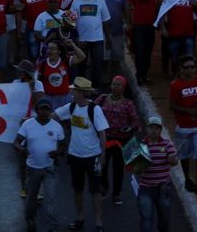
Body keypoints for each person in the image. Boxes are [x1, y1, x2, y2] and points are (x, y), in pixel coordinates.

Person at [54, 77, 108, 232]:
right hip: (75, 156)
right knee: (77, 189)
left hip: (92, 157)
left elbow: (102, 134)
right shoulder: (71, 107)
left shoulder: (94, 110)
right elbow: (53, 116)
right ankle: (80, 218)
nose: (71, 92)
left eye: (74, 90)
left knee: (95, 191)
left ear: (81, 93)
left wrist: (102, 156)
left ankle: (99, 222)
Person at [14, 98, 65, 232]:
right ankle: (30, 218)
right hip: (32, 168)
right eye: (42, 108)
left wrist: (58, 152)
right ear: (37, 110)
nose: (45, 111)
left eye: (47, 109)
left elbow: (63, 145)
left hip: (49, 169)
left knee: (50, 199)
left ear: (50, 110)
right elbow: (17, 142)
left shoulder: (56, 126)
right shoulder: (27, 124)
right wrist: (22, 149)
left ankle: (52, 227)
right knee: (31, 198)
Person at [96, 75, 140, 204]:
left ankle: (116, 194)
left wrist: (130, 128)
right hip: (105, 138)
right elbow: (92, 111)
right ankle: (104, 186)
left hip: (122, 141)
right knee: (102, 164)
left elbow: (136, 122)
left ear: (123, 88)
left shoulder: (128, 104)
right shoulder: (102, 99)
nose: (115, 86)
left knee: (118, 168)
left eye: (118, 85)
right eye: (113, 84)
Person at [169, 54, 197, 196]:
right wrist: (188, 110)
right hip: (184, 127)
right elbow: (171, 105)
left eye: (192, 67)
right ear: (181, 69)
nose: (190, 70)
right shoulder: (175, 86)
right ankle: (187, 178)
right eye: (187, 67)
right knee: (184, 155)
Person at [137, 116, 179, 232]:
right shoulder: (140, 145)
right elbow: (134, 167)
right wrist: (138, 164)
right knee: (146, 217)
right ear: (147, 128)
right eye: (151, 127)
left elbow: (174, 162)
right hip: (145, 187)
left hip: (163, 188)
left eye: (157, 128)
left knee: (164, 218)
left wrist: (172, 160)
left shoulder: (167, 144)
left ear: (160, 130)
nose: (154, 130)